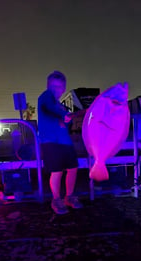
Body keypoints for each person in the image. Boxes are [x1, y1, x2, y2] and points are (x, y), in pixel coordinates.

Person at [38, 70, 83, 214]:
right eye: (54, 86)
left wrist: (69, 118)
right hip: (50, 141)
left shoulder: (61, 105)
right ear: (48, 86)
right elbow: (47, 110)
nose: (58, 90)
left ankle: (69, 197)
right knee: (56, 171)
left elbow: (66, 121)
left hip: (65, 142)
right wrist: (63, 117)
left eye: (60, 87)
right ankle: (56, 199)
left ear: (64, 88)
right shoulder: (45, 97)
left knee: (73, 168)